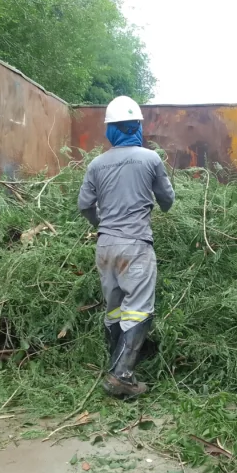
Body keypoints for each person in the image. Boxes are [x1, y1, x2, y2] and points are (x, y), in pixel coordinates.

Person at [77, 96, 175, 398]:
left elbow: (84, 205)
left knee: (115, 308)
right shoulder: (150, 159)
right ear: (137, 127)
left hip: (105, 247)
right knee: (139, 310)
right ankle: (121, 376)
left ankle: (115, 367)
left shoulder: (96, 164)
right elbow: (167, 200)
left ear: (110, 130)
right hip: (136, 246)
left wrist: (102, 225)